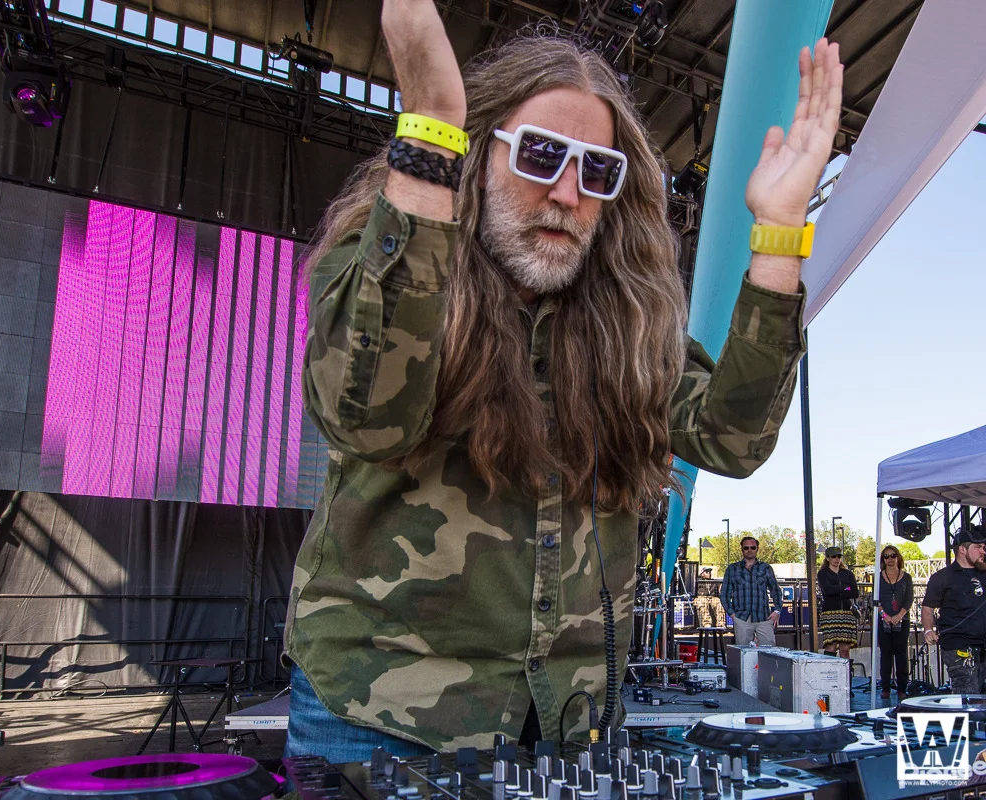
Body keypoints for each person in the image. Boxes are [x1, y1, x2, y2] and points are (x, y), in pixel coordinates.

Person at [283, 0, 843, 759]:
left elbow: (734, 439)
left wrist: (778, 235)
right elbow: (368, 418)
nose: (567, 193)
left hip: (566, 722)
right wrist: (430, 137)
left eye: (597, 170)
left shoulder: (630, 325)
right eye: (540, 155)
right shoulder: (385, 264)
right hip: (380, 711)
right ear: (478, 154)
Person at [922, 525, 986, 694]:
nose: (983, 551)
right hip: (958, 645)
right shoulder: (943, 577)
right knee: (967, 692)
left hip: (983, 643)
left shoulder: (984, 573)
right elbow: (928, 607)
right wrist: (928, 629)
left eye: (983, 547)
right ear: (962, 550)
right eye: (978, 547)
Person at [720, 537, 784, 647]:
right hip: (741, 618)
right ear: (742, 549)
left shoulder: (766, 568)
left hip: (763, 617)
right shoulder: (732, 569)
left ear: (757, 549)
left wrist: (777, 610)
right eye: (746, 548)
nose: (749, 550)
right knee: (743, 653)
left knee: (769, 651)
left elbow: (775, 590)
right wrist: (733, 615)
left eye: (752, 547)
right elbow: (725, 594)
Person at [876, 544, 913, 700]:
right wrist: (885, 615)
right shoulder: (878, 577)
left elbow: (909, 599)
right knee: (885, 654)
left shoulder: (906, 577)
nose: (890, 559)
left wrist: (899, 616)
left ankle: (902, 688)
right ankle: (885, 687)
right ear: (883, 559)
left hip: (902, 619)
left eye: (893, 555)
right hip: (884, 619)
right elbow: (875, 600)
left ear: (898, 557)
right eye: (886, 556)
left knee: (901, 654)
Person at [817, 546, 859, 659]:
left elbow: (855, 592)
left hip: (847, 613)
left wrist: (837, 590)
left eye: (839, 556)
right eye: (834, 556)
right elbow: (827, 590)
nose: (837, 559)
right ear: (828, 558)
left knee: (845, 649)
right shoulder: (822, 574)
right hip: (829, 613)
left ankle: (846, 670)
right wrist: (845, 588)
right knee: (830, 647)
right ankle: (830, 669)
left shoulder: (848, 574)